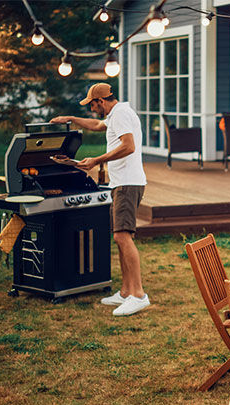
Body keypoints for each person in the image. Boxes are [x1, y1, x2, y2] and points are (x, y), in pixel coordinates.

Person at [50, 83, 149, 316]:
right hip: (122, 183)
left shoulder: (121, 114)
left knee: (122, 237)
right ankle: (126, 292)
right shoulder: (116, 114)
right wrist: (71, 118)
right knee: (121, 237)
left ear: (101, 101)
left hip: (127, 183)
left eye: (93, 105)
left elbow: (129, 146)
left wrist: (97, 160)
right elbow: (96, 125)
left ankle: (139, 295)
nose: (93, 110)